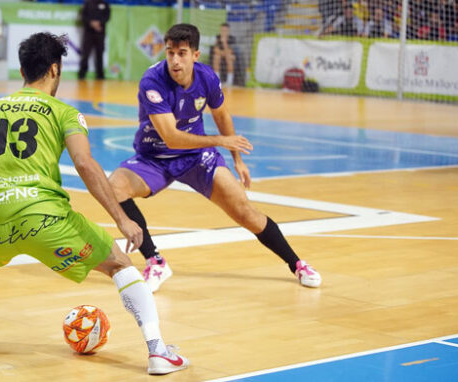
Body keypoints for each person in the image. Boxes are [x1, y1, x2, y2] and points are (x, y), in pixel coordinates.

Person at [0, 32, 188, 376]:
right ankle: (158, 350)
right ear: (54, 69)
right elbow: (85, 165)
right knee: (119, 264)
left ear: (22, 70)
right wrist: (122, 219)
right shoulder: (64, 113)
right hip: (46, 223)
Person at [107, 24, 322, 292]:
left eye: (182, 53)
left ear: (195, 55)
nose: (175, 60)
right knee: (115, 186)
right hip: (155, 156)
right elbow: (172, 137)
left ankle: (297, 264)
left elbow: (221, 115)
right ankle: (155, 261)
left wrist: (237, 160)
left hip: (197, 157)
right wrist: (220, 141)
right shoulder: (152, 81)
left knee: (245, 212)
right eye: (170, 52)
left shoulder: (207, 77)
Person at [77, 0, 109, 80]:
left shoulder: (105, 4)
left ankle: (100, 75)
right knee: (85, 54)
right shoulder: (87, 3)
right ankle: (82, 74)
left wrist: (99, 23)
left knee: (100, 54)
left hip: (100, 33)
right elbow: (84, 16)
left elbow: (107, 17)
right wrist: (92, 23)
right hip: (89, 33)